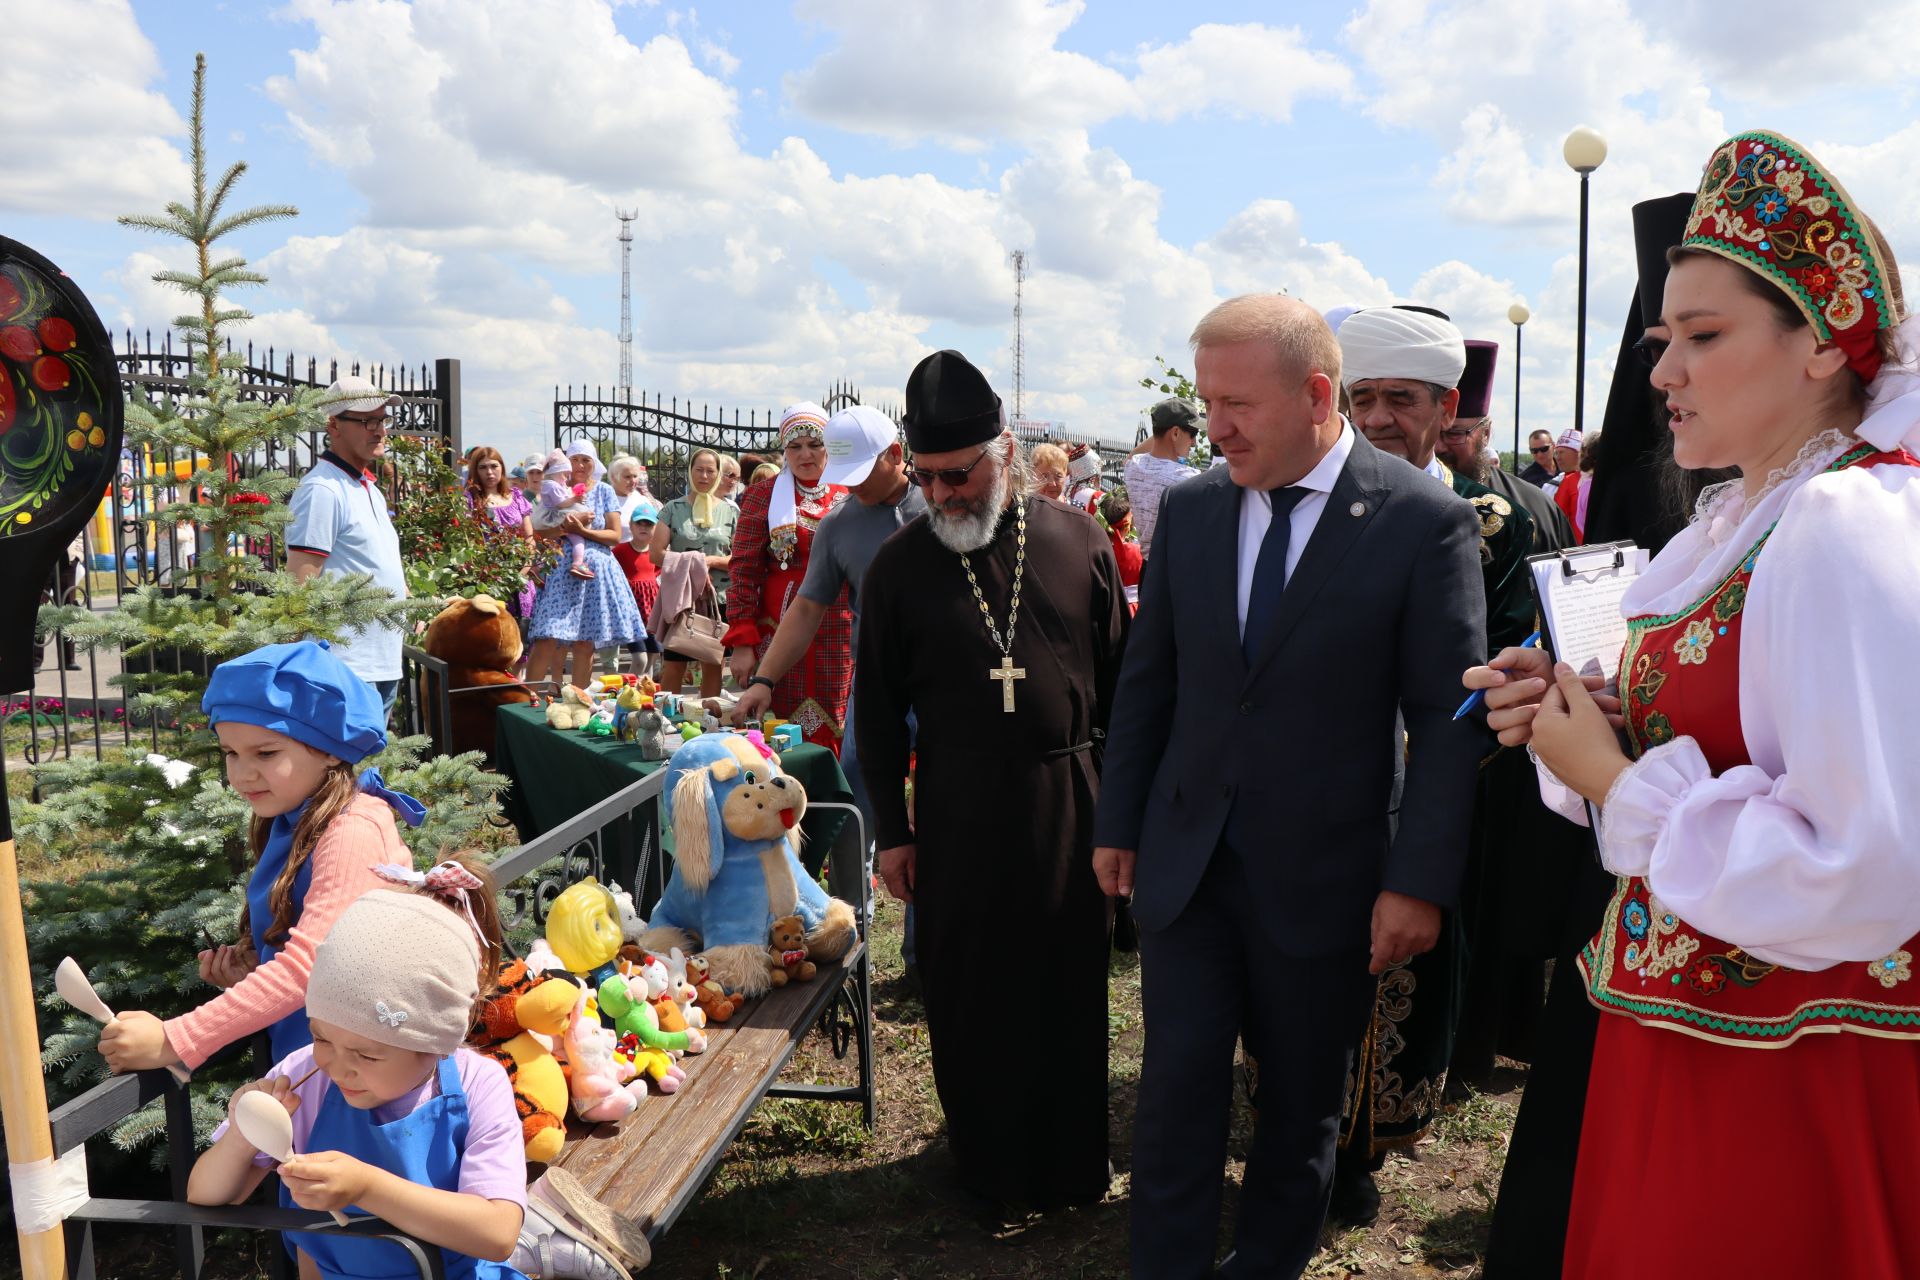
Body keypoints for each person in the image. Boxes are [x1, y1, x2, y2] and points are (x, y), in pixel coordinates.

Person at [1469, 129, 1919, 1278]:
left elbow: (1860, 866)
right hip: (1689, 1029)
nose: (1660, 370)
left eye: (1702, 338)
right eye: (1663, 339)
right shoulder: (1740, 521)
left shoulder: (1842, 524)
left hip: (1785, 1061)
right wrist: (1589, 718)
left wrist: (1616, 778)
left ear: (1820, 342)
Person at [1094, 295, 1486, 1277]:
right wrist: (1120, 820)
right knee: (1176, 1092)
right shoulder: (1191, 508)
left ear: (1316, 396)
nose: (1212, 426)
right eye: (1206, 400)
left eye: (1235, 404)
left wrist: (1419, 880)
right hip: (1187, 865)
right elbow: (1152, 681)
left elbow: (1447, 719)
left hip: (1326, 877)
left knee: (1302, 1106)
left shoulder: (1421, 521)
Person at [857, 349, 1129, 1210]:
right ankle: (990, 1170)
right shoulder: (898, 567)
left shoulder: (1080, 541)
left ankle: (1072, 1167)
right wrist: (894, 834)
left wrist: (1126, 819)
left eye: (957, 476)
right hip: (958, 806)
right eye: (928, 479)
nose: (940, 496)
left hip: (1071, 799)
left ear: (1004, 453)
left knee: (1067, 984)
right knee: (970, 991)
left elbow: (1125, 695)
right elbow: (872, 712)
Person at [98, 640, 427, 1075]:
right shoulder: (297, 816)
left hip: (360, 1079)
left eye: (265, 753)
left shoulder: (352, 831)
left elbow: (312, 968)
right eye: (231, 753)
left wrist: (177, 1038)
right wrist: (255, 971)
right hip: (325, 1065)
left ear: (331, 749)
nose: (241, 773)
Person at [187, 889, 533, 1279]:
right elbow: (207, 1194)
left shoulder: (477, 1084)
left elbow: (498, 1232)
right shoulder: (304, 1078)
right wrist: (244, 1133)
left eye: (366, 1055)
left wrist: (367, 1189)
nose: (337, 1067)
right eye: (320, 1038)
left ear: (436, 1046)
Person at [728, 406, 928, 969]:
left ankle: (925, 954)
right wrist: (765, 676)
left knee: (938, 807)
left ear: (896, 455)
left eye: (864, 472)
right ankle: (851, 938)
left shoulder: (935, 506)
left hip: (944, 684)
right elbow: (809, 605)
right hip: (877, 683)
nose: (853, 486)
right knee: (859, 800)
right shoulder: (840, 522)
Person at [722, 404, 852, 750]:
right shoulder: (762, 496)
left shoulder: (852, 491)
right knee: (780, 730)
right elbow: (744, 570)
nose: (805, 454)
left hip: (841, 632)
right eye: (795, 446)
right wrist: (743, 643)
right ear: (784, 450)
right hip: (780, 633)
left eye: (815, 444)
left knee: (844, 719)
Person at [286, 376, 410, 711]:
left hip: (380, 661)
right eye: (367, 420)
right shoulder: (323, 490)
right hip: (344, 667)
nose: (380, 430)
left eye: (383, 420)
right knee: (340, 765)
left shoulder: (367, 487)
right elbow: (301, 581)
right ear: (334, 425)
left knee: (369, 764)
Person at [526, 441, 644, 690]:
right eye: (575, 459)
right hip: (559, 571)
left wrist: (582, 531)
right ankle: (527, 698)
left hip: (594, 573)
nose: (579, 465)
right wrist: (564, 529)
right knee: (546, 636)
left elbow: (614, 535)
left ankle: (578, 699)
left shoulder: (603, 491)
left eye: (586, 460)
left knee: (584, 642)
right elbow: (537, 532)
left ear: (594, 463)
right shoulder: (554, 488)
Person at [1439, 342, 1574, 552]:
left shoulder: (1535, 508)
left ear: (1485, 433)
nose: (1438, 447)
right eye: (1431, 433)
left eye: (1454, 433)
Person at [648, 447, 737, 700]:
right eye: (699, 469)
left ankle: (708, 719)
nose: (705, 476)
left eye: (711, 471)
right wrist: (693, 561)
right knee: (675, 663)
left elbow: (740, 559)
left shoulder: (731, 512)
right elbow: (656, 554)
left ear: (719, 474)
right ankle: (665, 719)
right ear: (690, 472)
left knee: (713, 662)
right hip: (682, 599)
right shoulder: (672, 509)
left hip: (717, 600)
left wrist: (711, 561)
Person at [1124, 397, 1203, 558]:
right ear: (1175, 433)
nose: (1194, 442)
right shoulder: (1188, 479)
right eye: (1193, 434)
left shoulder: (1133, 468)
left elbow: (1132, 455)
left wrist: (1160, 428)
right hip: (1176, 567)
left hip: (1146, 566)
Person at [467, 445, 537, 620]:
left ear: (502, 468)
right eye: (483, 467)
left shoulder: (517, 497)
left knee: (523, 633)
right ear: (475, 471)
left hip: (519, 576)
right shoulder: (470, 500)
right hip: (487, 577)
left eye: (494, 466)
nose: (489, 472)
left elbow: (529, 537)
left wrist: (524, 569)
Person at [612, 500, 663, 676]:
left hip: (651, 612)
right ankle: (627, 692)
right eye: (639, 523)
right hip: (630, 613)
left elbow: (657, 573)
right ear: (631, 527)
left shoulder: (656, 552)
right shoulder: (620, 550)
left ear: (656, 528)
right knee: (639, 658)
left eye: (648, 524)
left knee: (652, 654)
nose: (643, 527)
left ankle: (643, 692)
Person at [1101, 490, 1143, 612]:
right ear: (1127, 525)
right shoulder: (1138, 551)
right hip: (1133, 608)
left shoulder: (1097, 550)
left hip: (1106, 608)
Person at [1548, 428, 1586, 540]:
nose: (1558, 458)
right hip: (1576, 550)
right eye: (1556, 453)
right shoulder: (1553, 485)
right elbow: (1556, 521)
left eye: (1562, 452)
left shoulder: (1590, 479)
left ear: (1578, 454)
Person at [609, 456, 649, 542]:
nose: (633, 481)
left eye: (635, 476)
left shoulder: (642, 501)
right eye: (627, 477)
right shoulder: (603, 499)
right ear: (614, 477)